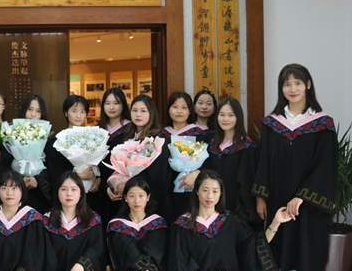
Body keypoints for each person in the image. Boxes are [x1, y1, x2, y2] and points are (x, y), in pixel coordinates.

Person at [251, 63, 338, 271]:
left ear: (308, 85)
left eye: (298, 83)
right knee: (279, 248)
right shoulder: (272, 124)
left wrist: (302, 197)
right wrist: (261, 197)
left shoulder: (322, 124)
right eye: (287, 84)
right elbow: (263, 162)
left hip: (308, 206)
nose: (292, 88)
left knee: (306, 250)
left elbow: (326, 165)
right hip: (277, 199)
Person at [166, 170, 291, 271]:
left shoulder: (229, 222)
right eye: (205, 190)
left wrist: (275, 223)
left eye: (215, 191)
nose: (210, 196)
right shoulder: (183, 225)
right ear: (196, 191)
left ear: (220, 194)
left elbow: (254, 244)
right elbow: (181, 262)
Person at [40, 172, 106, 271]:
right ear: (57, 193)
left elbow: (97, 248)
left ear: (81, 193)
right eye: (64, 189)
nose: (69, 194)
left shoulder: (92, 220)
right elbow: (45, 257)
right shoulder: (46, 221)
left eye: (74, 189)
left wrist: (81, 264)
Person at [182, 97, 259, 222]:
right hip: (211, 206)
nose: (225, 119)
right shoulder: (212, 145)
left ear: (238, 117)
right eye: (222, 115)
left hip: (236, 209)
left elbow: (246, 184)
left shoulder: (247, 147)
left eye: (230, 115)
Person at [109, 94, 173, 223]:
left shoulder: (158, 139)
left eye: (143, 111)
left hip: (147, 203)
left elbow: (157, 174)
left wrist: (128, 186)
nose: (138, 114)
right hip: (125, 201)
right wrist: (110, 187)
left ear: (151, 113)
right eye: (135, 110)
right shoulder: (124, 137)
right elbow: (114, 167)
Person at [0, 94, 52, 213]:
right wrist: (19, 180)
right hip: (14, 194)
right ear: (24, 110)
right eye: (30, 109)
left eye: (38, 111)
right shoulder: (11, 134)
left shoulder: (47, 138)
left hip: (39, 196)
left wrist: (36, 180)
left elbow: (52, 169)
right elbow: (4, 166)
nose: (33, 114)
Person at [163, 91, 210, 219]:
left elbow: (208, 161)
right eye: (175, 107)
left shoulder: (199, 134)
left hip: (191, 188)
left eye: (184, 107)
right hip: (166, 191)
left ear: (190, 111)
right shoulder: (162, 135)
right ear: (168, 110)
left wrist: (197, 173)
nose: (179, 111)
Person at [45, 95, 101, 200]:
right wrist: (77, 176)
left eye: (82, 112)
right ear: (66, 113)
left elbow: (99, 165)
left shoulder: (93, 139)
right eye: (74, 111)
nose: (78, 115)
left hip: (90, 194)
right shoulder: (57, 141)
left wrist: (98, 179)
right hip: (68, 195)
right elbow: (54, 171)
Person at [97, 88, 132, 224]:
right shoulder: (97, 131)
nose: (111, 107)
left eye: (116, 103)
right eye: (107, 103)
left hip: (125, 188)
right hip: (101, 190)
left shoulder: (131, 130)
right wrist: (105, 187)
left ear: (123, 105)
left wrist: (125, 185)